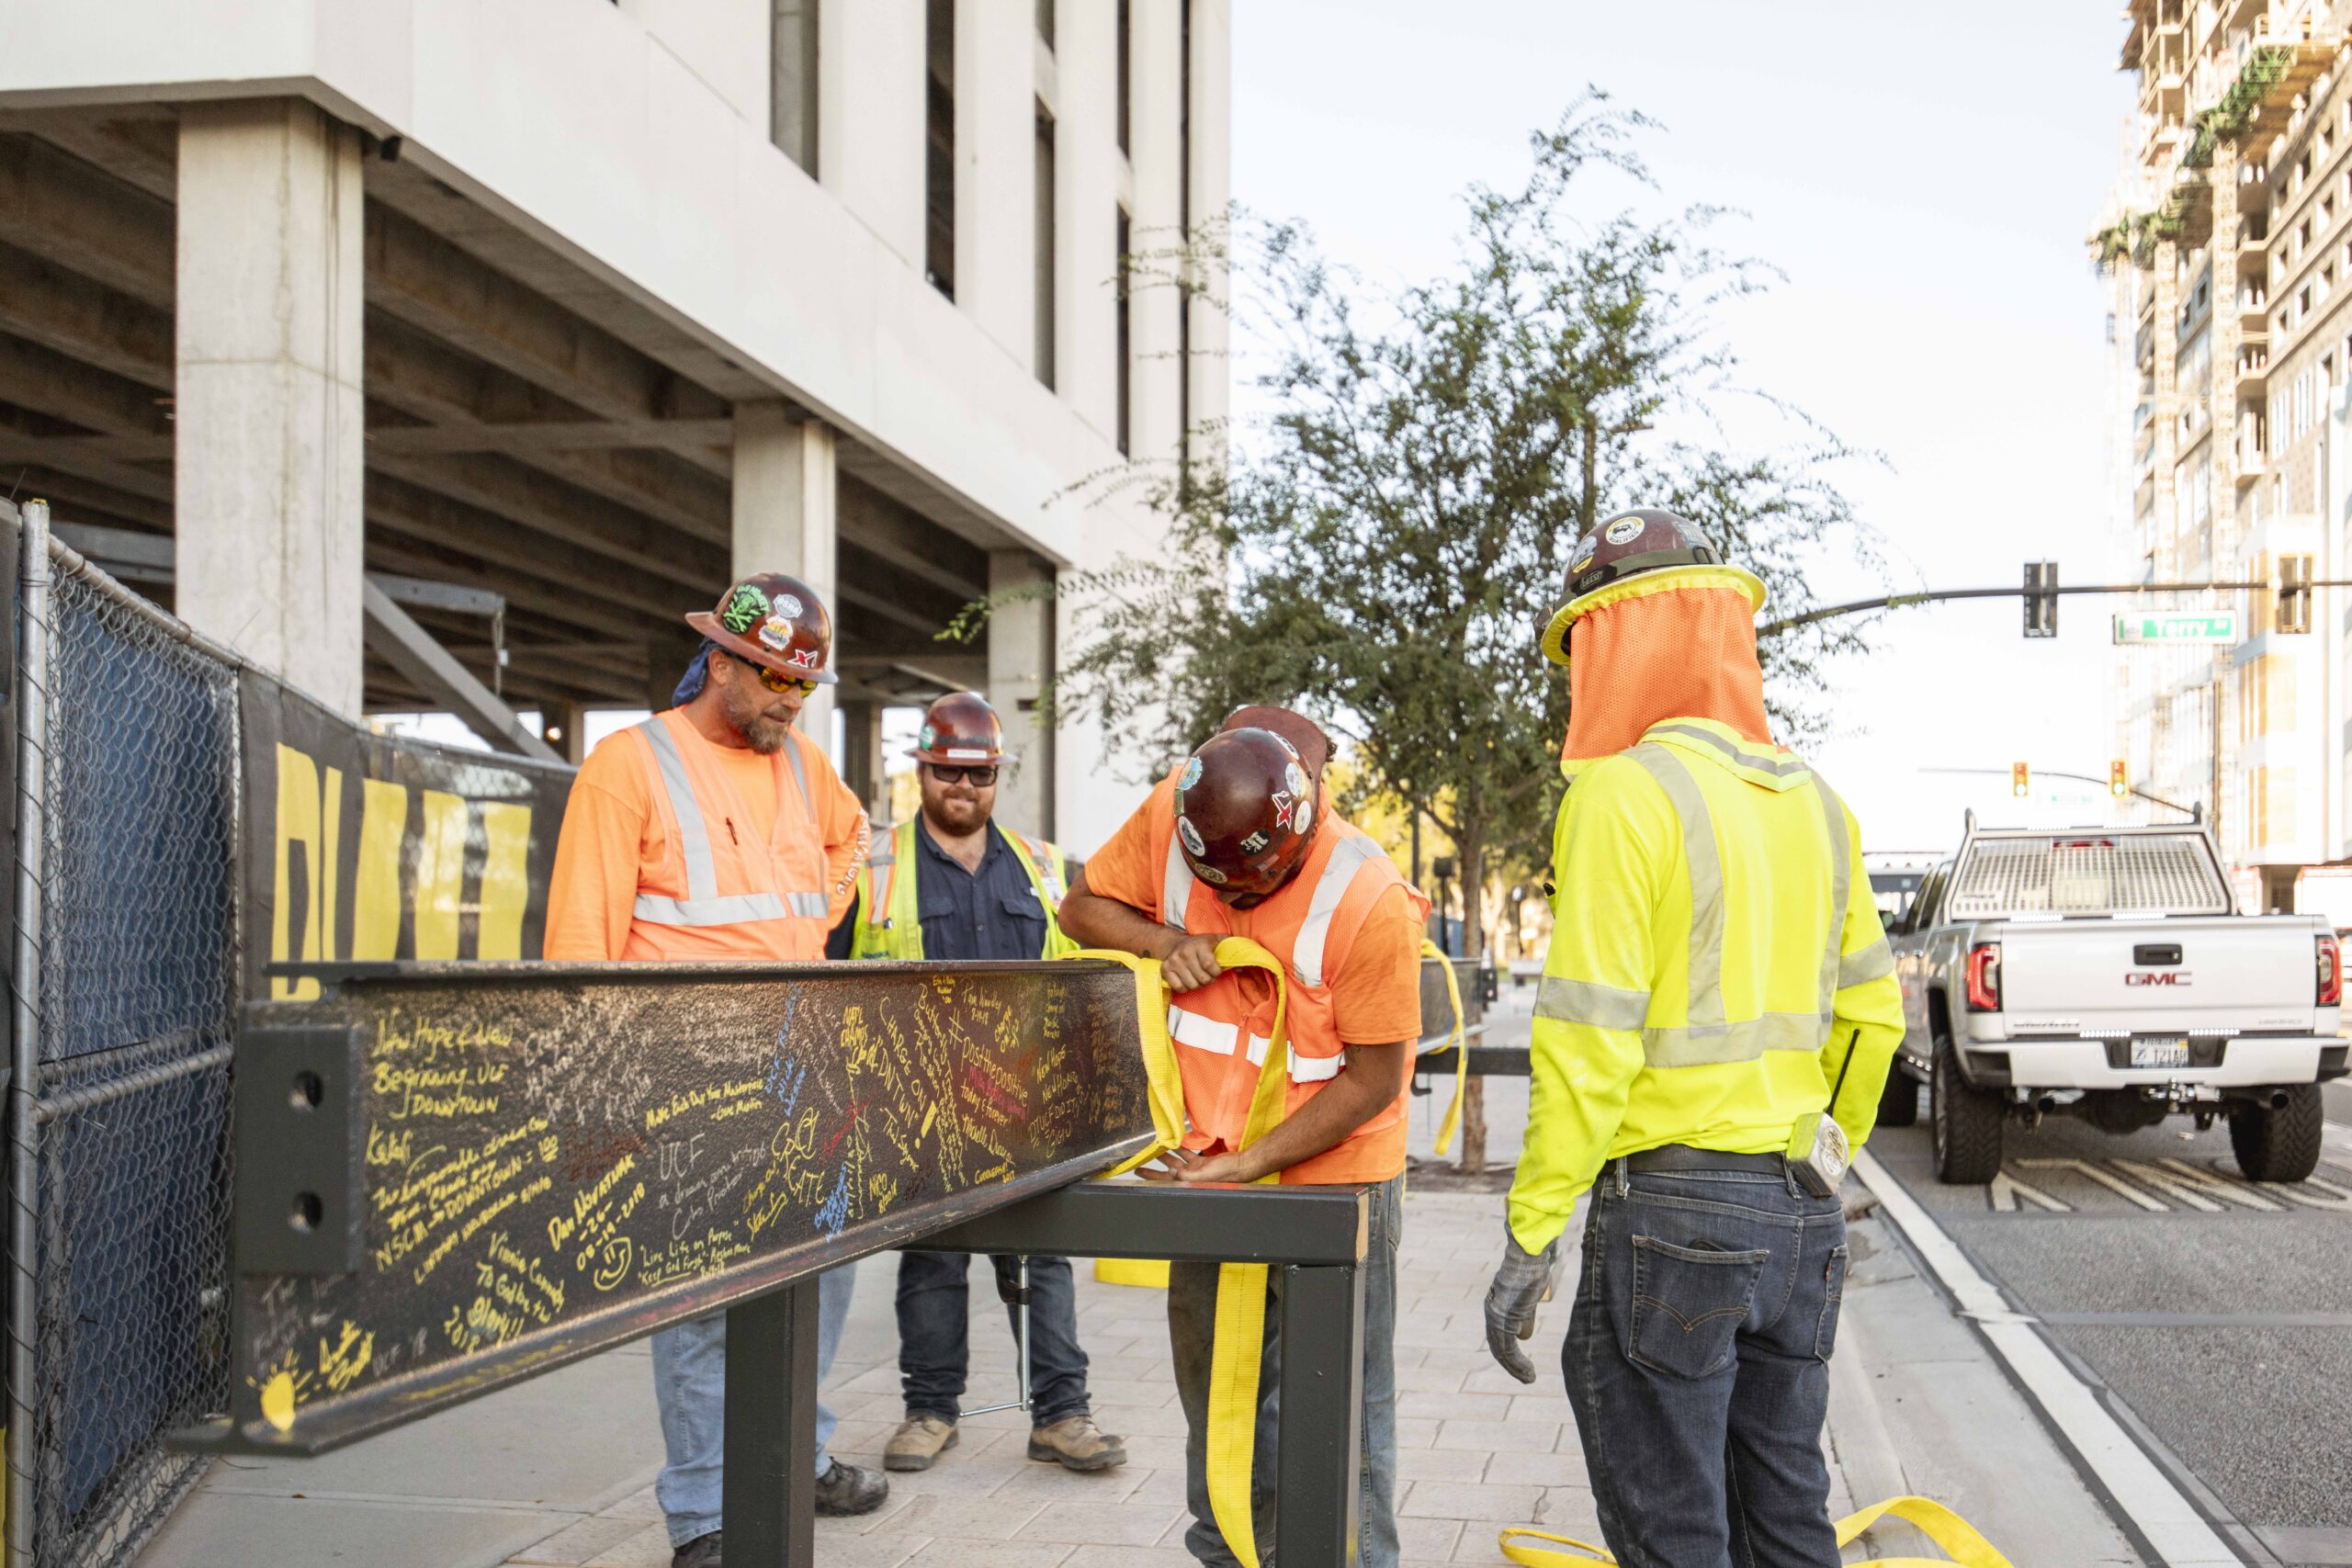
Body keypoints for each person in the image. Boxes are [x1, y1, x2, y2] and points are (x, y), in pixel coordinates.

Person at [1482, 510, 1905, 1568]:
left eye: (1582, 648)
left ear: (1621, 641)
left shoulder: (1624, 797)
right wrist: (1824, 1152)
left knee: (1676, 1533)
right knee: (1787, 1521)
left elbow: (1587, 1041)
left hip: (1671, 1215)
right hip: (1801, 1219)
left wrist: (1532, 1232)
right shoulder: (1821, 805)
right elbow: (1873, 1017)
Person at [545, 572, 888, 1568]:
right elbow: (577, 951)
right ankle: (703, 1516)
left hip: (798, 1068)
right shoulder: (628, 766)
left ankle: (795, 1454)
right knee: (700, 1302)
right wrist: (599, 1107)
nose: (787, 699)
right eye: (774, 679)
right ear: (723, 661)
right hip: (684, 1081)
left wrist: (817, 911)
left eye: (802, 685)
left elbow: (850, 835)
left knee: (820, 1269)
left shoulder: (801, 766)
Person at [1057, 705, 1429, 1568]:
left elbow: (1375, 1078)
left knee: (1343, 1407)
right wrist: (1165, 939)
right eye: (1217, 884)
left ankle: (1354, 1560)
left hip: (1338, 1180)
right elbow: (1083, 907)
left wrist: (1253, 1163)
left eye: (1255, 887)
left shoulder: (1368, 898)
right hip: (1213, 1168)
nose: (1236, 901)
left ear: (1298, 829)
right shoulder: (1179, 814)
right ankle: (1230, 1554)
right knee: (1221, 1396)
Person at [826, 691, 1126, 1475]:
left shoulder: (1044, 867)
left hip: (1027, 1102)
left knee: (1042, 1259)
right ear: (922, 769)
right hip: (918, 1106)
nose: (964, 788)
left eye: (980, 775)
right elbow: (823, 978)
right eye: (949, 773)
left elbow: (1085, 976)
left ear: (998, 776)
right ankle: (929, 1410)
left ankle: (1061, 1414)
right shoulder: (874, 867)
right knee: (931, 1261)